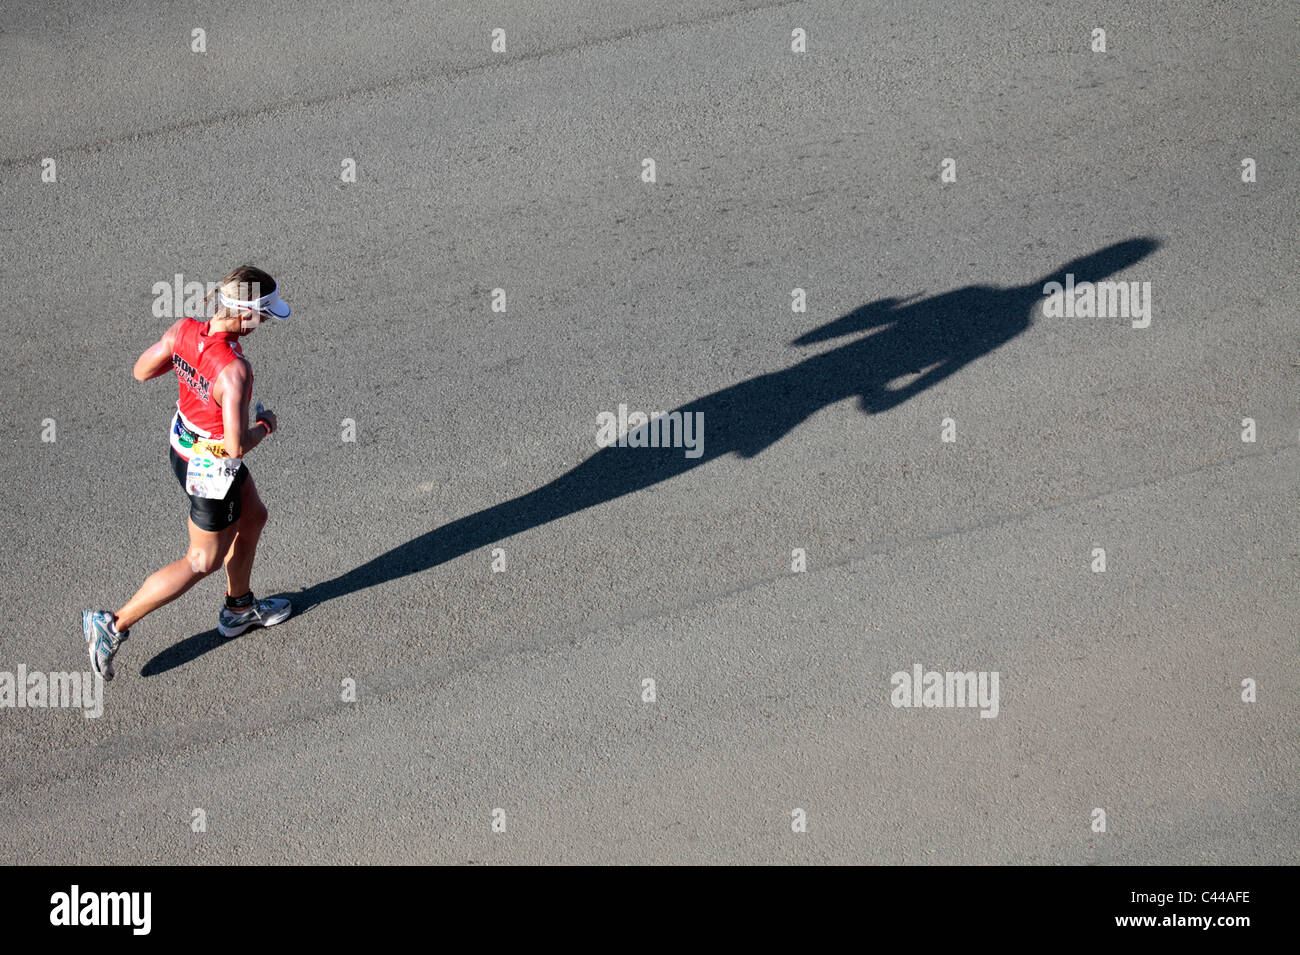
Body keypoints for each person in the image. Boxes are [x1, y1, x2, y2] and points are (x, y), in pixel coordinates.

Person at [82, 265, 293, 680]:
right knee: (201, 560)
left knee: (254, 516)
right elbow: (235, 446)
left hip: (182, 448)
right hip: (213, 469)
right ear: (244, 312)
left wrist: (187, 366)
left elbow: (142, 370)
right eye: (263, 315)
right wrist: (265, 424)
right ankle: (112, 625)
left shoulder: (183, 330)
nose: (264, 323)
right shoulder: (235, 371)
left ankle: (238, 609)